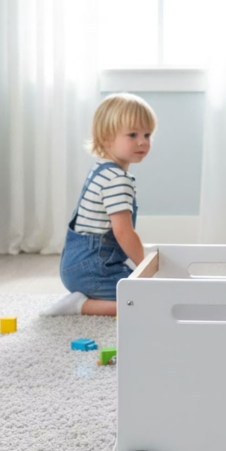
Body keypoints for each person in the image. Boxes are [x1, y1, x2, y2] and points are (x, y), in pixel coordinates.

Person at [44, 93, 156, 317]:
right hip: (93, 270)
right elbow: (123, 232)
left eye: (147, 134)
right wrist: (144, 267)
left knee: (144, 293)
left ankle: (85, 296)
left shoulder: (101, 169)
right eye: (133, 135)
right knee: (146, 299)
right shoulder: (117, 180)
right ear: (106, 139)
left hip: (76, 265)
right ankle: (79, 305)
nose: (143, 141)